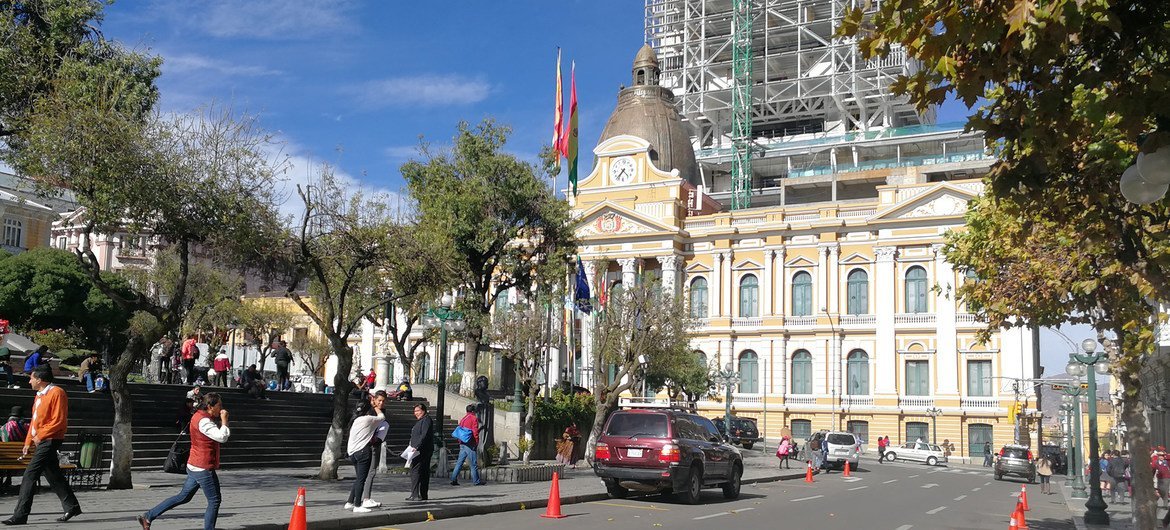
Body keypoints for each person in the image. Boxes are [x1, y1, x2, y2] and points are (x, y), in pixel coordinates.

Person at [137, 392, 230, 530]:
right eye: (219, 405)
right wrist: (224, 420)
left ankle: (148, 516)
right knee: (214, 500)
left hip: (194, 465)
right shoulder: (204, 421)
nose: (221, 408)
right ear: (210, 406)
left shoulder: (199, 416)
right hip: (202, 466)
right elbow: (222, 437)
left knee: (183, 497)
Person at [4, 366, 82, 525]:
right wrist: (28, 441)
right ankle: (72, 506)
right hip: (42, 439)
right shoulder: (39, 395)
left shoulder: (56, 393)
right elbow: (34, 421)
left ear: (40, 379)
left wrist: (40, 435)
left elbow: (58, 420)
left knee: (30, 474)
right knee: (53, 474)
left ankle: (20, 514)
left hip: (51, 439)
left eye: (31, 378)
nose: (29, 380)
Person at [345, 391, 388, 513]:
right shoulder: (368, 419)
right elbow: (382, 418)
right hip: (363, 451)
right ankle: (358, 505)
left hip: (352, 451)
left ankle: (349, 502)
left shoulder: (356, 420)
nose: (381, 403)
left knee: (359, 478)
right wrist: (375, 406)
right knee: (361, 479)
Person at [451, 404, 485, 486]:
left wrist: (460, 441)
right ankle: (476, 481)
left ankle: (453, 479)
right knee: (473, 464)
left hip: (462, 442)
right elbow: (475, 431)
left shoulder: (463, 418)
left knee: (459, 462)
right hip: (470, 443)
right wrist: (477, 441)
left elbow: (459, 431)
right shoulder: (473, 418)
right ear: (473, 411)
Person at [406, 403, 434, 501]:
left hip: (421, 450)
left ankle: (416, 494)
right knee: (421, 471)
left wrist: (417, 446)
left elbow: (424, 435)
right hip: (419, 449)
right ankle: (420, 494)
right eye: (415, 411)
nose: (416, 413)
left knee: (416, 471)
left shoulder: (426, 420)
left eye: (418, 411)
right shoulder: (422, 420)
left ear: (424, 411)